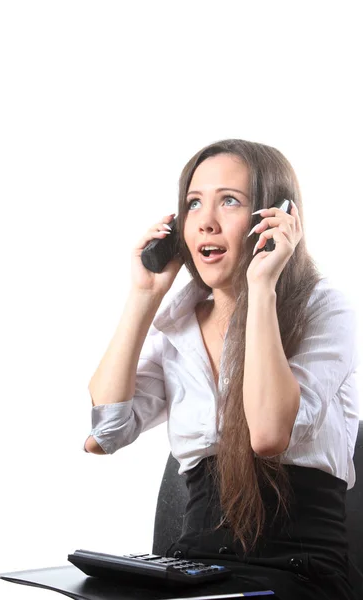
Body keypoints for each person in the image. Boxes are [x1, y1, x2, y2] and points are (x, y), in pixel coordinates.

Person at [83, 139, 361, 600]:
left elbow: (269, 435)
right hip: (194, 568)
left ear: (275, 216)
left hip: (298, 570)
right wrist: (143, 297)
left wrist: (263, 285)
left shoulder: (325, 308)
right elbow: (105, 433)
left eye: (229, 201)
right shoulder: (177, 325)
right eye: (194, 204)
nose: (206, 221)